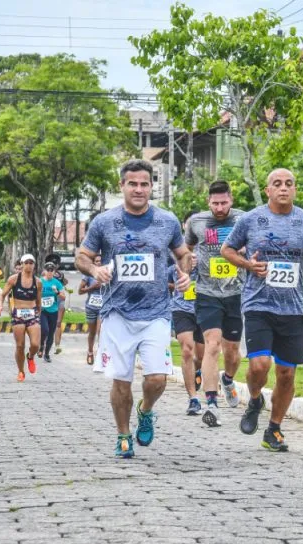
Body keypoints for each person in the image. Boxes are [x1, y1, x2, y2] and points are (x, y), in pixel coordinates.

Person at [76, 159, 191, 459]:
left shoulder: (167, 221)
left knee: (157, 379)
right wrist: (95, 269)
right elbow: (81, 257)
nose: (139, 189)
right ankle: (123, 434)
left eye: (144, 184)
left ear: (152, 186)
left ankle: (146, 409)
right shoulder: (104, 222)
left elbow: (183, 254)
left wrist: (185, 273)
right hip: (117, 312)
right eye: (133, 184)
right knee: (121, 380)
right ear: (122, 186)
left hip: (156, 312)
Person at [221, 169, 303, 452]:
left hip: (292, 308)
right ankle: (256, 398)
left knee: (286, 374)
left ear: (295, 189)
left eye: (289, 184)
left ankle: (274, 429)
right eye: (277, 184)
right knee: (260, 366)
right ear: (268, 189)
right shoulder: (250, 219)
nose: (283, 188)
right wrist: (248, 265)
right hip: (258, 303)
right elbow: (227, 250)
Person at [185, 181, 245, 428]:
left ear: (231, 199)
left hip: (237, 292)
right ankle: (211, 403)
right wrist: (189, 260)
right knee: (212, 345)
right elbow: (186, 248)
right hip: (207, 292)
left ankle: (228, 379)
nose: (220, 208)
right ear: (208, 202)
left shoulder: (244, 219)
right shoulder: (197, 222)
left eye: (224, 202)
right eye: (215, 203)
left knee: (231, 351)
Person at [169, 252, 205, 416]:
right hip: (181, 309)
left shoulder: (208, 245)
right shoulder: (179, 250)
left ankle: (196, 370)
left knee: (201, 356)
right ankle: (193, 399)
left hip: (204, 309)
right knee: (186, 350)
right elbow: (168, 280)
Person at [0, 254, 42, 382]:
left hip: (32, 313)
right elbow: (2, 294)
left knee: (35, 344)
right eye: (26, 262)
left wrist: (39, 313)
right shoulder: (13, 279)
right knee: (20, 346)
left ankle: (30, 356)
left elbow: (38, 300)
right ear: (22, 264)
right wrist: (0, 306)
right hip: (18, 314)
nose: (29, 265)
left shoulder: (38, 282)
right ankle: (21, 371)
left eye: (31, 263)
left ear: (34, 265)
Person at [78, 256, 105, 367]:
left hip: (103, 308)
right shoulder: (88, 275)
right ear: (93, 263)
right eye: (96, 261)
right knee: (92, 333)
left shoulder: (107, 274)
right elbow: (80, 291)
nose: (98, 263)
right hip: (91, 307)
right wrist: (92, 287)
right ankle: (90, 352)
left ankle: (100, 355)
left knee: (101, 332)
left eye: (100, 261)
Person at [39, 262, 66, 362]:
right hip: (42, 310)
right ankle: (41, 345)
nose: (50, 272)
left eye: (52, 270)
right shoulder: (39, 281)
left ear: (54, 272)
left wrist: (57, 292)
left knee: (51, 333)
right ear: (44, 271)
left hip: (53, 310)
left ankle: (46, 354)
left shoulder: (57, 283)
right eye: (48, 270)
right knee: (44, 330)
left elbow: (64, 297)